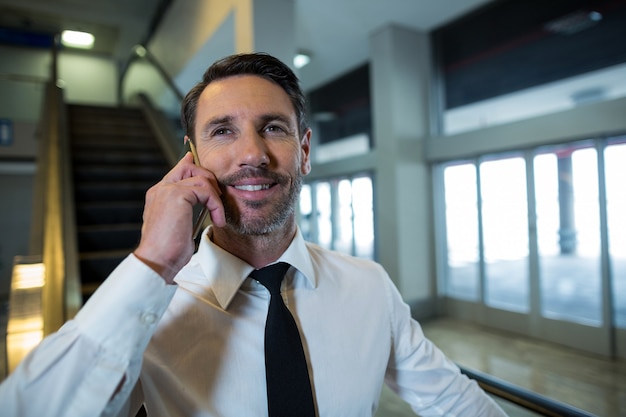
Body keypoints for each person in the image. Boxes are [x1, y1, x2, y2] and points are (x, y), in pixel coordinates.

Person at [0, 52, 506, 417]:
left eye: (274, 128)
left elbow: (452, 401)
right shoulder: (146, 310)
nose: (252, 155)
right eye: (222, 131)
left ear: (304, 151)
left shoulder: (369, 286)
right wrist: (153, 262)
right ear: (191, 158)